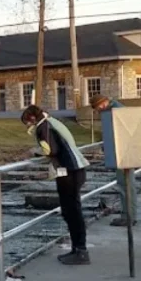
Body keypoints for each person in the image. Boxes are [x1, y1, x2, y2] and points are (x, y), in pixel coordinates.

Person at [21, 105, 91, 265]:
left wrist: (32, 151)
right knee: (71, 211)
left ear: (32, 118)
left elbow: (49, 149)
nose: (27, 126)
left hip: (69, 171)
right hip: (74, 169)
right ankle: (78, 249)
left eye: (26, 122)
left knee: (72, 212)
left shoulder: (43, 127)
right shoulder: (52, 122)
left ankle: (81, 251)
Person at [90, 94, 136, 227]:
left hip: (122, 153)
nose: (98, 110)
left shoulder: (115, 111)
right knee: (127, 185)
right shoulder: (117, 109)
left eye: (98, 107)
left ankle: (128, 217)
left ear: (103, 103)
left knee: (124, 185)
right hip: (125, 152)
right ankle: (129, 215)